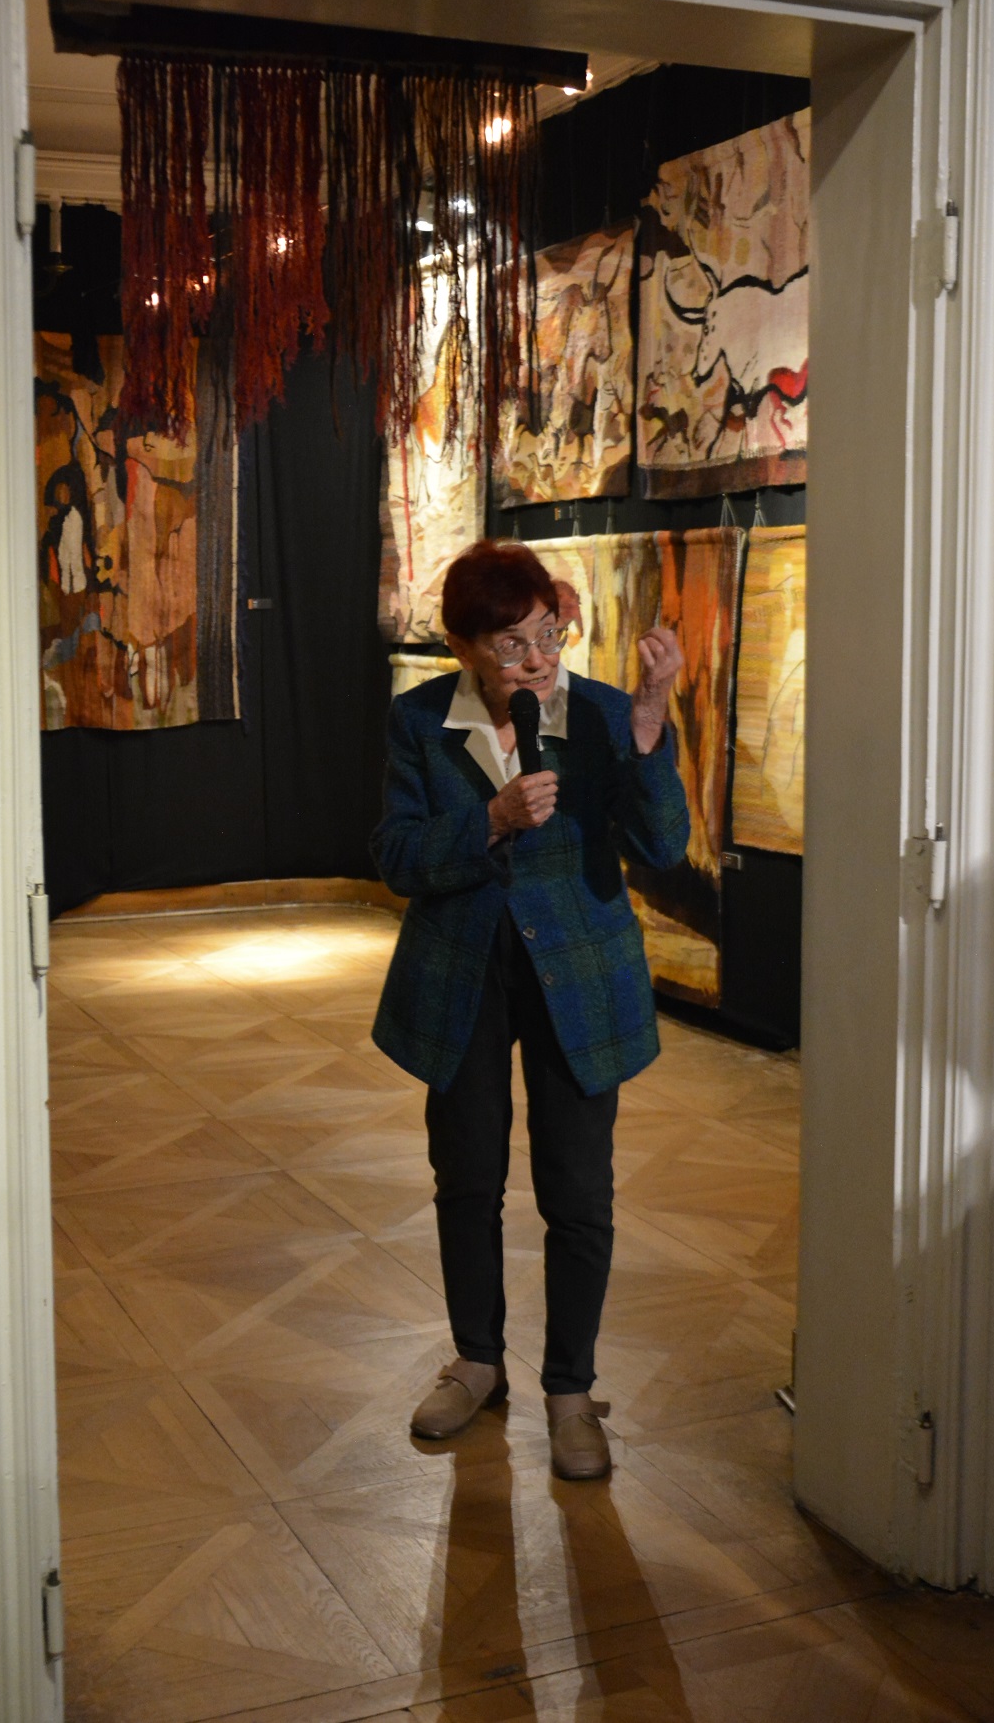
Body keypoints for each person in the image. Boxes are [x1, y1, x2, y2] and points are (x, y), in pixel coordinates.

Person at [370, 539, 689, 1479]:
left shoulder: (603, 713)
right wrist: (491, 820)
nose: (537, 658)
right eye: (510, 644)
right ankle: (477, 1361)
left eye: (547, 633)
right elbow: (396, 857)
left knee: (578, 1191)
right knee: (467, 1176)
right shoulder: (420, 720)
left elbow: (664, 846)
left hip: (579, 978)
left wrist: (650, 729)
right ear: (463, 648)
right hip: (462, 972)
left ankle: (570, 1391)